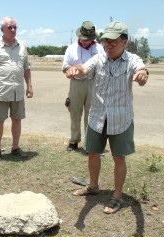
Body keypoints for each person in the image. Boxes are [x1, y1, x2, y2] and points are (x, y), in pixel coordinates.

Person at [65, 21, 149, 214]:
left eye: (113, 42)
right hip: (97, 117)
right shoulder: (98, 59)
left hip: (121, 118)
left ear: (124, 42)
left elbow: (140, 68)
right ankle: (93, 186)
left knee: (119, 158)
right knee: (93, 152)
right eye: (106, 42)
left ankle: (117, 196)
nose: (108, 46)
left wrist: (143, 73)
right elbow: (85, 69)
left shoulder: (131, 60)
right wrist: (77, 70)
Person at [0, 16, 33, 162]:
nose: (13, 30)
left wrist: (29, 86)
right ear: (2, 29)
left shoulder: (22, 45)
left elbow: (26, 68)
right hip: (1, 91)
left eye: (15, 27)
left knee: (17, 119)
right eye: (10, 27)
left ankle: (15, 148)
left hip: (18, 91)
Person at [62, 21, 104, 151]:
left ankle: (89, 143)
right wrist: (71, 69)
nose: (86, 42)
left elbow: (104, 67)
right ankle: (74, 141)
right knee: (74, 112)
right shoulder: (71, 48)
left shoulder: (99, 48)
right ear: (80, 35)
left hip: (93, 83)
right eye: (84, 39)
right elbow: (64, 67)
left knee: (91, 115)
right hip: (76, 84)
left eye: (89, 39)